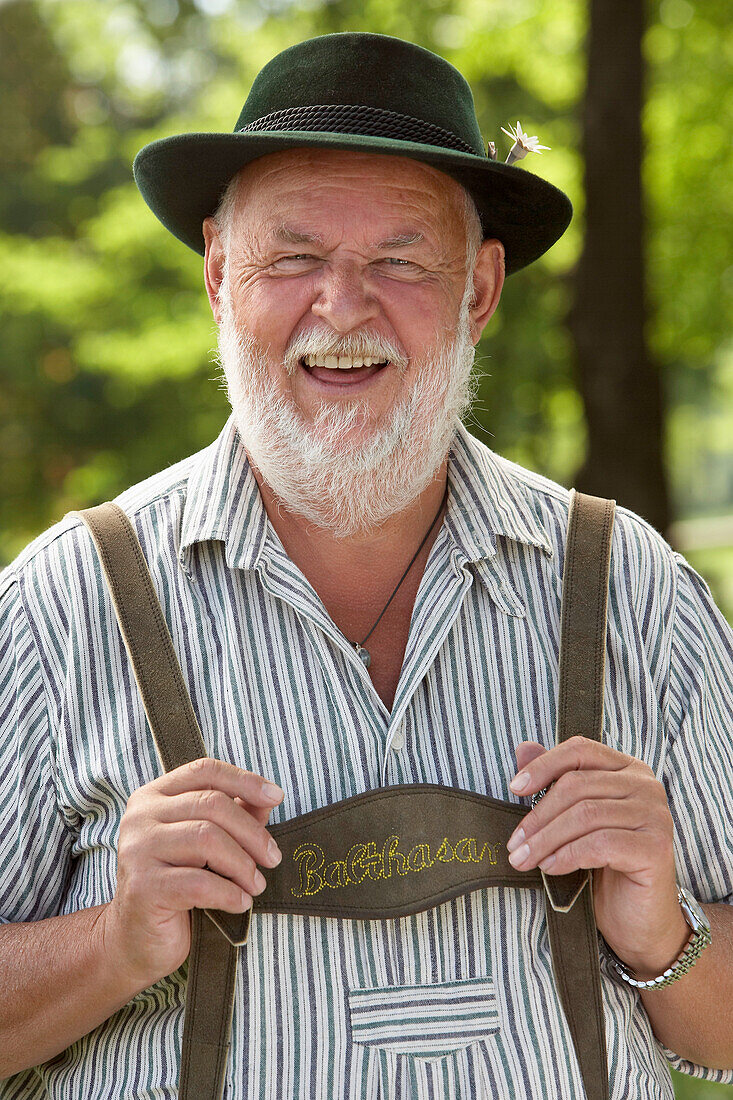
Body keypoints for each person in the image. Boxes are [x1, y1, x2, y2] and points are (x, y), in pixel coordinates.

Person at [0, 31, 731, 1100]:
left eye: (399, 259)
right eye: (292, 257)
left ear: (478, 290)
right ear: (216, 273)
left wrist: (663, 924)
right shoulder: (61, 606)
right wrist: (114, 939)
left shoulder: (633, 588)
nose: (342, 307)